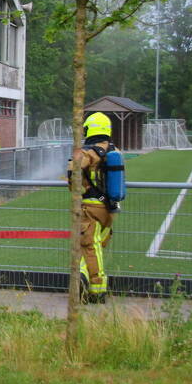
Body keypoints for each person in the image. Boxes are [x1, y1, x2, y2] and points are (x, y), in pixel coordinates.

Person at [67, 111, 118, 303]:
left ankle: (96, 290)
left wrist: (75, 189)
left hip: (91, 207)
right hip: (109, 208)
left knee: (90, 245)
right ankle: (82, 275)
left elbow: (73, 169)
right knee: (93, 244)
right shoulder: (113, 151)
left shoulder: (90, 152)